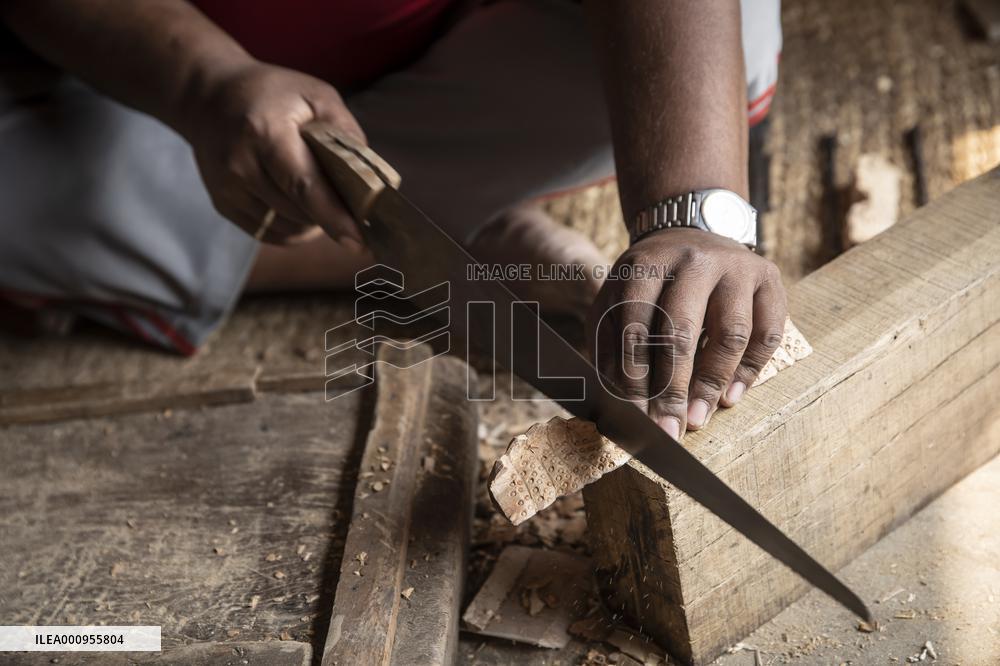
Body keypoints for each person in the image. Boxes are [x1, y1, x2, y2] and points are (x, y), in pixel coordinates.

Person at [0, 0, 786, 437]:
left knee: (731, 30)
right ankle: (436, 239)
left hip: (459, 53)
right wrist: (202, 82)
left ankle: (417, 230)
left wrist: (691, 205)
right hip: (151, 93)